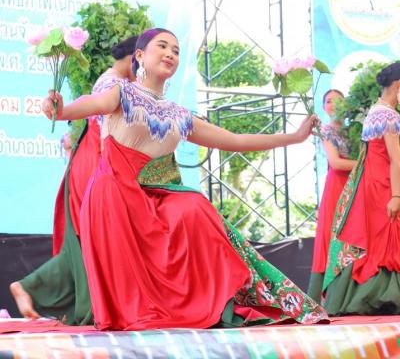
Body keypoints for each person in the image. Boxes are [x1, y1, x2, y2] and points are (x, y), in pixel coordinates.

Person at [14, 28, 328, 330]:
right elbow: (90, 106)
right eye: (162, 46)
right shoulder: (121, 93)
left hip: (151, 199)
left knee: (194, 207)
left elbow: (236, 140)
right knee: (142, 297)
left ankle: (212, 302)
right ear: (139, 55)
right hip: (115, 197)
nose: (170, 54)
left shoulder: (178, 114)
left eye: (175, 50)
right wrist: (60, 110)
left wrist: (294, 137)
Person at [10, 36, 139, 324]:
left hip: (89, 162)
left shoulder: (114, 80)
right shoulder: (113, 83)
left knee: (82, 243)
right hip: (96, 164)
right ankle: (34, 288)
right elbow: (106, 129)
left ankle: (29, 287)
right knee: (92, 240)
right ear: (134, 57)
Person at [322, 62, 400, 315]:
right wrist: (397, 195)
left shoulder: (376, 111)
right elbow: (396, 158)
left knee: (377, 242)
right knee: (386, 242)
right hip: (385, 184)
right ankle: (382, 297)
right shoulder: (389, 115)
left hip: (372, 183)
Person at [307, 89, 356, 303]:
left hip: (356, 186)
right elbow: (335, 163)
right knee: (333, 235)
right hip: (337, 188)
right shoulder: (326, 131)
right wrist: (365, 165)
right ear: (324, 107)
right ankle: (326, 298)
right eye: (329, 101)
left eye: (338, 100)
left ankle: (350, 294)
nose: (333, 104)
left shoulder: (355, 131)